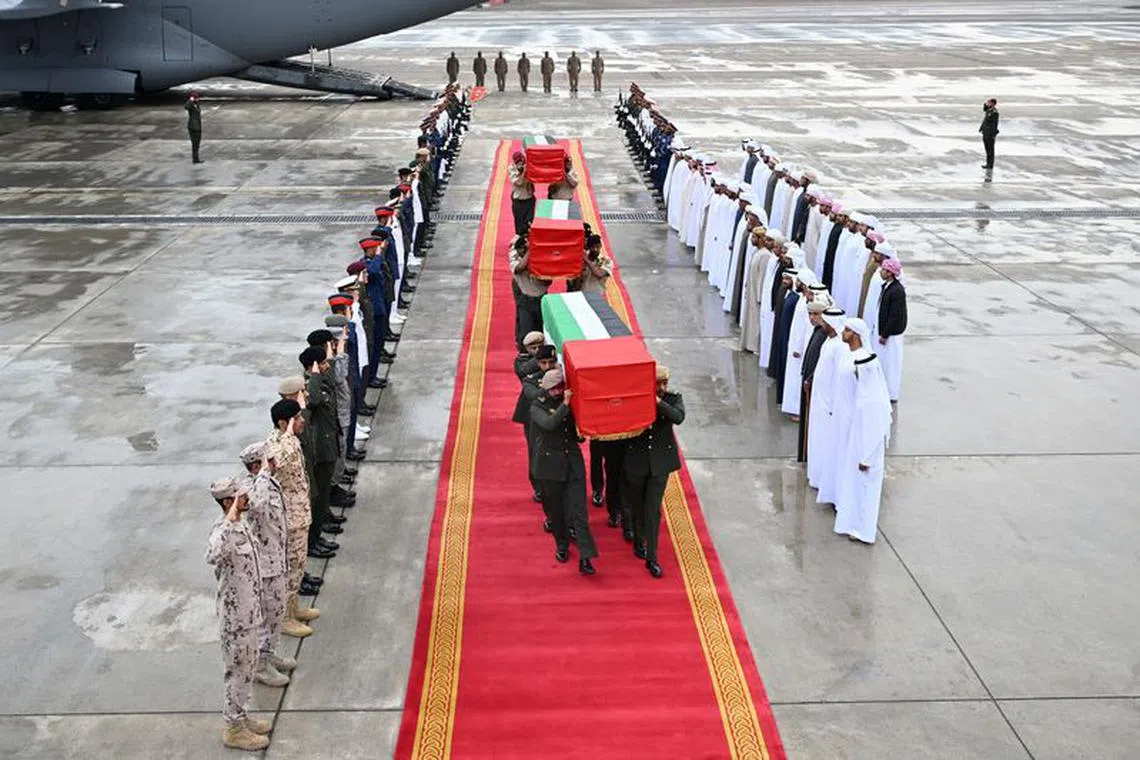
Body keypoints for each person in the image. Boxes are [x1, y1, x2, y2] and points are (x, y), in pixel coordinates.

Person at [205, 477, 271, 752]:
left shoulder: (242, 524)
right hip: (236, 620)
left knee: (248, 670)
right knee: (238, 672)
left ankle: (241, 716)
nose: (247, 498)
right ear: (228, 502)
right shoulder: (223, 530)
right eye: (241, 496)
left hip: (250, 612)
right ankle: (233, 728)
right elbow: (212, 554)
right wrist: (229, 521)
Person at [235, 442, 293, 688]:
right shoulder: (249, 487)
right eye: (269, 460)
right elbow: (257, 508)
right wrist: (262, 475)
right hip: (264, 567)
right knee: (265, 615)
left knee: (276, 612)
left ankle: (268, 654)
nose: (275, 463)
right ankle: (259, 665)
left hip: (277, 558)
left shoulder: (267, 483)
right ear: (257, 466)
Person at [530, 368, 599, 575]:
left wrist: (583, 430)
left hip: (572, 463)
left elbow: (577, 435)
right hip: (550, 467)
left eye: (560, 388)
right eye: (554, 389)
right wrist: (566, 405)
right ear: (546, 389)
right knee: (556, 511)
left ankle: (586, 558)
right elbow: (549, 424)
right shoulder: (537, 406)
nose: (558, 392)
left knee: (579, 511)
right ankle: (562, 544)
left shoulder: (570, 403)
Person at [623, 365, 685, 578]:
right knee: (637, 505)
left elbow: (678, 417)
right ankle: (638, 538)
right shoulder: (637, 399)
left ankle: (652, 557)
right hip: (637, 460)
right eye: (658, 383)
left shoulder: (672, 398)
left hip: (660, 462)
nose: (662, 387)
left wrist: (658, 402)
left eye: (664, 383)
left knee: (653, 509)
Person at [266, 398, 321, 635]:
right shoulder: (276, 444)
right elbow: (278, 462)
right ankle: (285, 618)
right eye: (296, 419)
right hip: (289, 519)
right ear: (283, 423)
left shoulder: (288, 440)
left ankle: (294, 607)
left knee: (299, 565)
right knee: (290, 568)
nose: (301, 421)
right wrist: (288, 436)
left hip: (299, 514)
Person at [833, 336, 893, 544]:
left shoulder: (873, 401)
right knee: (856, 493)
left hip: (867, 456)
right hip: (858, 451)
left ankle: (863, 532)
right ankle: (853, 526)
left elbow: (876, 431)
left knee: (866, 495)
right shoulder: (864, 395)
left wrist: (866, 458)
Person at [299, 346, 339, 558]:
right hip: (320, 450)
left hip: (328, 443)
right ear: (312, 366)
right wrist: (314, 375)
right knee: (318, 498)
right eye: (322, 363)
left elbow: (332, 384)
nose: (326, 366)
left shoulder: (320, 381)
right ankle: (313, 540)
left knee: (323, 496)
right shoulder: (308, 386)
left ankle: (319, 533)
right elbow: (313, 401)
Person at [806, 309, 847, 491]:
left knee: (825, 440)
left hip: (829, 402)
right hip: (819, 398)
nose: (823, 325)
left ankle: (824, 478)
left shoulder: (840, 347)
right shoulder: (829, 341)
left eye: (826, 323)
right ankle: (815, 475)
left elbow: (839, 377)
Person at [513, 336, 554, 502]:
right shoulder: (522, 362)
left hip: (550, 412)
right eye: (533, 348)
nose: (536, 350)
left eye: (539, 346)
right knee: (535, 449)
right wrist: (542, 354)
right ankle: (538, 486)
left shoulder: (548, 362)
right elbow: (524, 371)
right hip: (530, 414)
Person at [797, 299, 835, 461]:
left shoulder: (825, 336)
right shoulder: (817, 331)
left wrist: (811, 379)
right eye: (810, 314)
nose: (812, 317)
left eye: (816, 314)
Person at [509, 236, 548, 349]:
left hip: (541, 299)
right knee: (526, 329)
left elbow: (546, 281)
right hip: (525, 299)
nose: (523, 251)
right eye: (521, 248)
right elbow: (519, 268)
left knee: (541, 329)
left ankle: (540, 353)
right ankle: (524, 352)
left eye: (525, 248)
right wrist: (531, 249)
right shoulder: (514, 258)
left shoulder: (539, 259)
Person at [877, 257, 907, 402]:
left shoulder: (897, 291)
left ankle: (891, 394)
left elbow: (895, 316)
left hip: (891, 335)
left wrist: (885, 334)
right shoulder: (887, 287)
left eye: (884, 270)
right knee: (885, 364)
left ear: (890, 273)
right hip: (886, 333)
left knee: (891, 365)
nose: (881, 272)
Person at [509, 151, 536, 237]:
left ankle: (527, 239)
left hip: (529, 199)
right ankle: (520, 241)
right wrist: (523, 172)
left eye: (522, 162)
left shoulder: (528, 166)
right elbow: (518, 182)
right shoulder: (512, 169)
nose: (520, 165)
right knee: (519, 225)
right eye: (518, 163)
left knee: (529, 222)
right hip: (519, 201)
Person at [980, 98, 999, 169]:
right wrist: (985, 103)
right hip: (985, 132)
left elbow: (995, 124)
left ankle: (990, 165)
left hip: (990, 134)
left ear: (993, 103)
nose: (988, 103)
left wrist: (993, 134)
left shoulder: (995, 112)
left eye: (989, 102)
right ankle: (988, 163)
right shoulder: (988, 110)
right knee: (987, 149)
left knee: (991, 150)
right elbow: (984, 109)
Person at [185, 91, 203, 164]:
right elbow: (186, 107)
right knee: (195, 143)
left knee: (196, 144)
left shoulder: (196, 104)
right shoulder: (191, 104)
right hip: (194, 127)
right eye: (197, 98)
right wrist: (190, 100)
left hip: (197, 126)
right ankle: (195, 159)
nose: (198, 99)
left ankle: (196, 158)